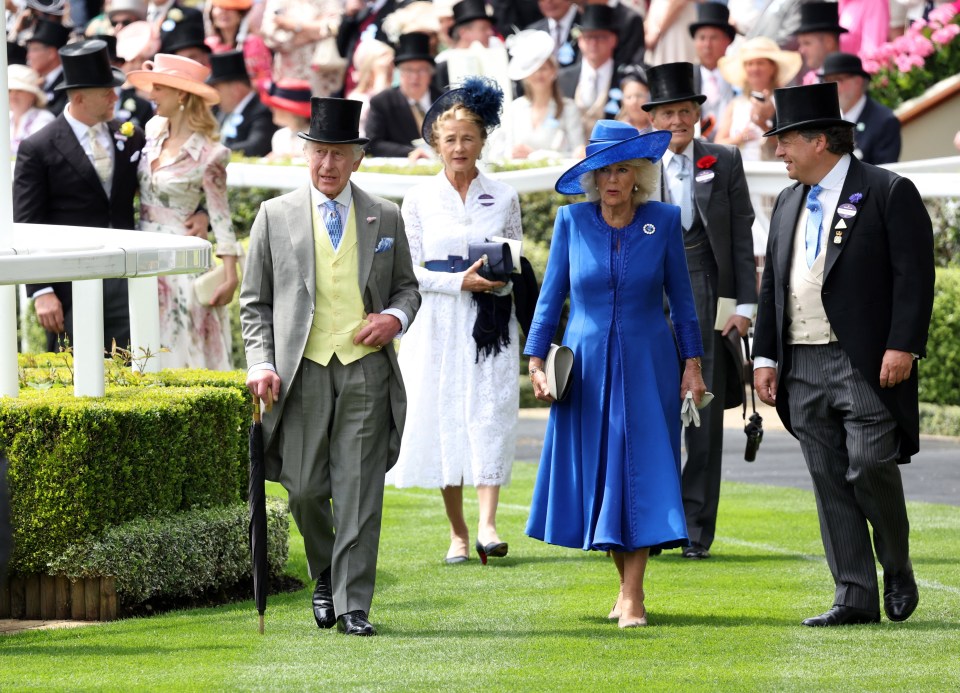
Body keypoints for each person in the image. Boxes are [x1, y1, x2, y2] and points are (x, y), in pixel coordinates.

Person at [753, 81, 934, 627]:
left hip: (865, 360)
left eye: (785, 140)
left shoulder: (886, 190)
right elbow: (772, 288)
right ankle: (854, 596)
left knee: (871, 465)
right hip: (800, 364)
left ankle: (895, 564)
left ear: (820, 141)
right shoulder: (787, 201)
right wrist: (765, 358)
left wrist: (903, 345)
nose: (778, 151)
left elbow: (914, 278)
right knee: (829, 478)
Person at [240, 97, 420, 636]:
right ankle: (325, 572)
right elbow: (255, 302)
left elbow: (407, 287)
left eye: (339, 154)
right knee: (303, 490)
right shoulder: (274, 215)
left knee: (360, 488)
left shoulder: (385, 214)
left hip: (366, 369)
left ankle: (353, 604)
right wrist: (261, 362)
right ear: (307, 154)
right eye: (319, 152)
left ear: (358, 158)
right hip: (303, 371)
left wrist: (393, 317)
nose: (328, 165)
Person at [526, 121, 706, 627]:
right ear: (592, 177)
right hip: (585, 368)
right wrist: (536, 361)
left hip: (649, 364)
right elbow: (550, 299)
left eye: (622, 168)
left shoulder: (665, 221)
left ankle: (634, 594)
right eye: (604, 170)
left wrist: (692, 365)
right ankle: (623, 588)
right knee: (604, 475)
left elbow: (683, 304)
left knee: (642, 468)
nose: (612, 179)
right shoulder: (571, 223)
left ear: (638, 176)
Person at [387, 77, 522, 565]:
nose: (460, 147)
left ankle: (488, 524)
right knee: (446, 418)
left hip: (489, 323)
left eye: (468, 137)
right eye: (450, 139)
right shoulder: (418, 199)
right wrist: (456, 283)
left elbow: (515, 259)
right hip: (437, 323)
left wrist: (499, 282)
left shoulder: (504, 196)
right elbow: (410, 270)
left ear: (482, 140)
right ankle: (459, 532)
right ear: (437, 146)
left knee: (488, 415)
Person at [644, 62, 757, 559]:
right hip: (649, 291)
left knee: (704, 413)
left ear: (697, 114)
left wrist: (744, 305)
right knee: (654, 410)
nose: (676, 121)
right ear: (653, 118)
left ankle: (696, 530)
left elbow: (740, 237)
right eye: (667, 113)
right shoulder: (638, 165)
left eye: (684, 111)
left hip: (707, 288)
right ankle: (659, 523)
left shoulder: (724, 160)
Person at [14, 39, 145, 354]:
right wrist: (41, 289)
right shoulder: (39, 147)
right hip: (68, 284)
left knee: (132, 368)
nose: (116, 96)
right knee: (74, 375)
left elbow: (162, 183)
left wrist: (198, 213)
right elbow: (27, 222)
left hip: (125, 275)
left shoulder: (129, 136)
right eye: (107, 92)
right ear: (81, 97)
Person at [126, 53, 241, 370]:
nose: (151, 95)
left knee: (180, 351)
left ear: (180, 95)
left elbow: (221, 217)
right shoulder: (151, 133)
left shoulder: (210, 153)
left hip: (181, 262)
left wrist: (230, 275)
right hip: (141, 254)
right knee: (141, 349)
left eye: (159, 88)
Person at [490, 29, 584, 161]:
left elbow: (578, 154)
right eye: (533, 70)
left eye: (543, 69)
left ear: (553, 71)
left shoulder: (568, 108)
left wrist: (535, 155)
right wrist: (512, 153)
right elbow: (503, 150)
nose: (538, 75)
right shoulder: (515, 108)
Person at [716, 37, 801, 162]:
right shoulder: (736, 103)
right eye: (750, 64)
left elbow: (795, 146)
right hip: (741, 172)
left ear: (773, 68)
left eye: (760, 63)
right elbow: (718, 144)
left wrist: (763, 125)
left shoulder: (785, 102)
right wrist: (741, 138)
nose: (754, 69)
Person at [365, 32, 442, 160]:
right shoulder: (382, 102)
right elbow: (372, 144)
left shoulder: (445, 101)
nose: (415, 77)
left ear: (431, 73)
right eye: (409, 70)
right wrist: (411, 152)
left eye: (421, 70)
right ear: (399, 73)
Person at [819, 51, 901, 165]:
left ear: (858, 81)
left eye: (837, 79)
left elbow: (885, 175)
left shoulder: (884, 121)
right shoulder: (824, 119)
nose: (831, 87)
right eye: (826, 81)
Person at [557, 5, 623, 139]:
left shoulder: (624, 77)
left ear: (613, 40)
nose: (593, 43)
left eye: (600, 37)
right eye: (588, 37)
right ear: (580, 41)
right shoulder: (563, 78)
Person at [260, 0, 346, 98]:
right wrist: (316, 28)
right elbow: (269, 35)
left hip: (322, 80)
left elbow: (335, 27)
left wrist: (295, 26)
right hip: (287, 80)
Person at [208, 49, 277, 157]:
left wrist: (215, 152)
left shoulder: (262, 112)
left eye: (219, 90)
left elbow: (255, 146)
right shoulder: (220, 112)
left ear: (236, 89)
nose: (216, 97)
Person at [204, 0, 272, 97]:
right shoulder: (209, 45)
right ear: (211, 13)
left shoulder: (255, 43)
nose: (224, 12)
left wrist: (247, 86)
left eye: (230, 8)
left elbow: (267, 79)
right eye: (219, 7)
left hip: (252, 100)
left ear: (240, 14)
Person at [689, 2, 735, 142]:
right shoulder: (687, 78)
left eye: (714, 38)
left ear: (727, 41)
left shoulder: (738, 76)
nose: (707, 45)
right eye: (702, 38)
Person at [345, 38, 395, 138]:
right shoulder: (357, 98)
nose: (391, 69)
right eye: (386, 66)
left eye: (392, 64)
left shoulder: (395, 93)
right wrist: (381, 77)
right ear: (369, 67)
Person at [26, 19, 71, 116]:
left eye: (34, 50)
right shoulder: (38, 83)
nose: (28, 56)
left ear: (51, 53)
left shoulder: (69, 82)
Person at [794, 2, 847, 85]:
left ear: (829, 42)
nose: (801, 50)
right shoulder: (812, 80)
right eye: (801, 44)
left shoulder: (848, 80)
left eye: (807, 43)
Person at [8, 63, 56, 155]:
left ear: (32, 95)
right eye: (9, 91)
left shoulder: (43, 119)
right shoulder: (7, 117)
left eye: (19, 90)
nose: (13, 95)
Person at [263, 78, 312, 161]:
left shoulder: (314, 137)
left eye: (277, 106)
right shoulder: (279, 136)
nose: (272, 109)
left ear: (291, 111)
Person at [615, 65, 651, 133]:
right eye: (628, 97)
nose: (634, 101)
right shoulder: (618, 131)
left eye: (639, 96)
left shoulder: (659, 129)